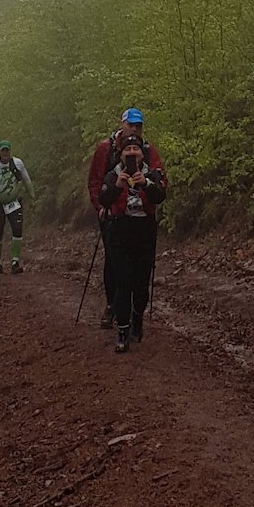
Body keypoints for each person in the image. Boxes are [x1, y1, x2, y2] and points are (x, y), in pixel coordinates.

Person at [88, 108, 158, 328]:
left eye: (139, 126)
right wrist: (100, 206)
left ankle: (132, 310)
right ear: (122, 124)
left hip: (140, 216)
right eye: (131, 125)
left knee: (138, 265)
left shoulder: (146, 150)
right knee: (113, 261)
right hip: (112, 212)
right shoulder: (106, 148)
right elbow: (95, 180)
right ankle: (112, 305)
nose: (135, 129)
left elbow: (158, 176)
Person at [99, 132, 167, 354]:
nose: (131, 153)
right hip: (119, 230)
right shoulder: (113, 175)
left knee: (141, 284)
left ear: (142, 153)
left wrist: (145, 183)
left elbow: (160, 196)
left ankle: (137, 319)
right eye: (127, 150)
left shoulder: (152, 173)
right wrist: (117, 186)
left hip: (144, 232)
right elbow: (103, 199)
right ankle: (122, 331)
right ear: (120, 155)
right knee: (123, 282)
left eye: (135, 149)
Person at [0, 140, 35, 275]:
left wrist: (32, 197)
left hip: (13, 202)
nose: (5, 153)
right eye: (3, 150)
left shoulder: (17, 163)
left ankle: (15, 262)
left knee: (17, 229)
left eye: (7, 150)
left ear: (10, 151)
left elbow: (27, 180)